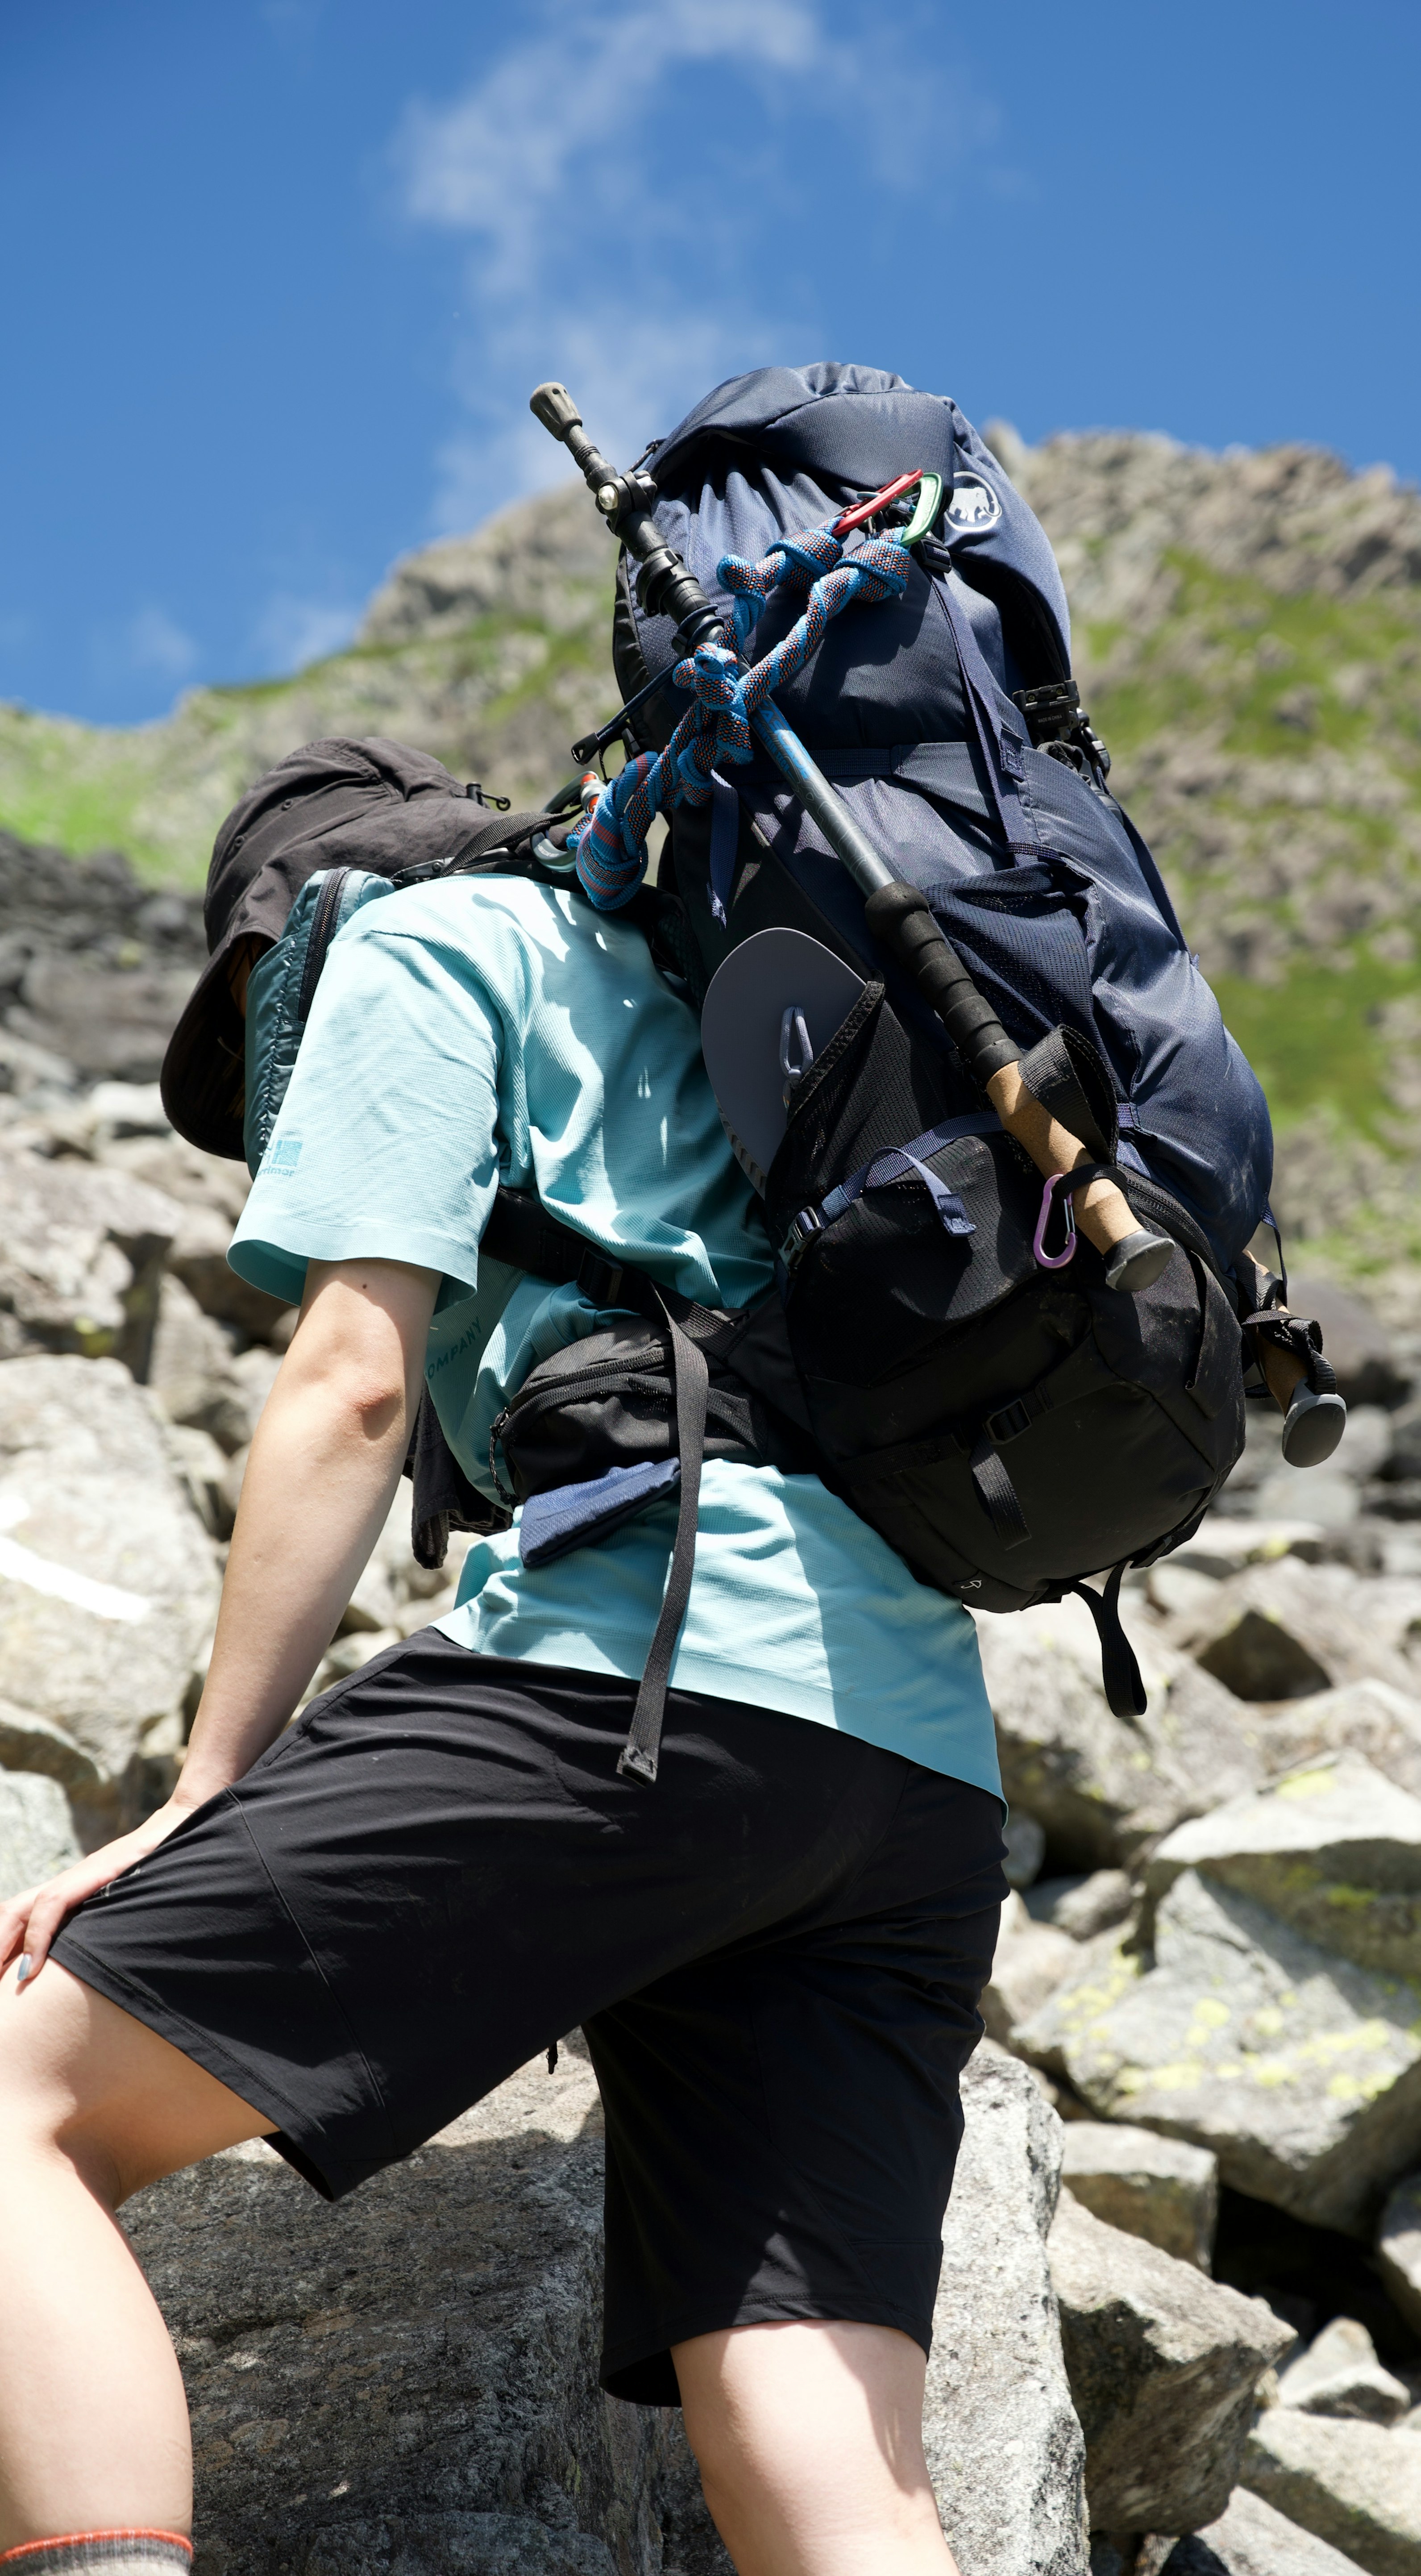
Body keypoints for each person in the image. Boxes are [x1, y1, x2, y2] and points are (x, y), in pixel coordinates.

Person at [0, 857, 1007, 2576]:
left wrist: (208, 1789)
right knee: (817, 2436)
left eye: (256, 1038)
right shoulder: (715, 980)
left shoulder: (415, 941)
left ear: (285, 934)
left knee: (16, 2095)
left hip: (647, 1674)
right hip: (912, 1771)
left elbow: (355, 1376)